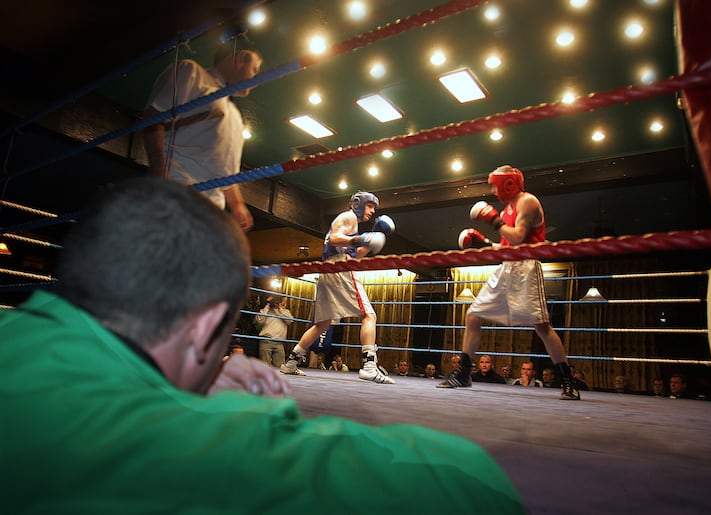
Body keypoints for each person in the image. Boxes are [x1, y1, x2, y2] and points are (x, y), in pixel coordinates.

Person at [0, 178, 523, 513]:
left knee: (320, 325)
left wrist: (183, 383)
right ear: (206, 330)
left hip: (323, 279)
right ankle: (365, 364)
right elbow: (474, 484)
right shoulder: (178, 448)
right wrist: (218, 414)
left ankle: (298, 358)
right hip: (337, 271)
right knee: (366, 316)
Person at [438, 165, 580, 400]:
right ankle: (463, 374)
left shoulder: (527, 202)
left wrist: (492, 220)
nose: (493, 190)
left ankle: (568, 382)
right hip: (506, 267)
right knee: (473, 315)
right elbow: (506, 246)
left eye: (495, 185)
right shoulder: (506, 212)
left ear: (509, 183)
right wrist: (482, 242)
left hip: (526, 267)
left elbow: (519, 237)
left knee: (542, 326)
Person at [143, 42, 263, 232]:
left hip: (212, 211)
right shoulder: (192, 72)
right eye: (254, 69)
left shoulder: (235, 116)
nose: (256, 79)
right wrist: (158, 168)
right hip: (176, 188)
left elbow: (226, 172)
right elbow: (153, 117)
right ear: (239, 59)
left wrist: (237, 205)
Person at [280, 191, 397, 384]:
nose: (373, 210)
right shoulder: (348, 216)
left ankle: (290, 363)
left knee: (322, 324)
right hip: (340, 268)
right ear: (359, 203)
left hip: (329, 271)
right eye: (370, 206)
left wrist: (373, 237)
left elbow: (356, 255)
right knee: (369, 315)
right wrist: (360, 239)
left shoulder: (354, 224)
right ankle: (369, 366)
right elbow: (334, 238)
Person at [254, 294, 293, 367]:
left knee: (280, 366)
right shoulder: (266, 310)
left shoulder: (286, 311)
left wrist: (280, 309)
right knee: (264, 366)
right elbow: (260, 321)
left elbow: (290, 321)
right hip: (266, 340)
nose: (284, 301)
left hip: (279, 342)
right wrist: (267, 305)